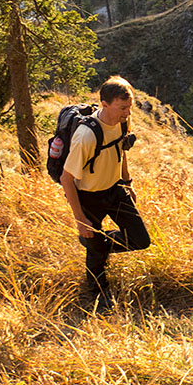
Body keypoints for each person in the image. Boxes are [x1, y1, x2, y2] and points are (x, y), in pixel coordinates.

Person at [60, 76, 150, 312]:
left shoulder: (121, 122)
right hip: (89, 196)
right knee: (95, 250)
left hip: (115, 190)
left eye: (129, 107)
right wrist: (81, 220)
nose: (128, 113)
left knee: (140, 240)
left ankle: (94, 243)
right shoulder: (86, 135)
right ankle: (98, 292)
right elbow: (66, 178)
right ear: (104, 103)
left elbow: (121, 149)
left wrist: (127, 182)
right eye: (123, 108)